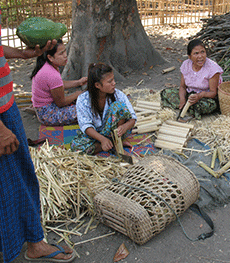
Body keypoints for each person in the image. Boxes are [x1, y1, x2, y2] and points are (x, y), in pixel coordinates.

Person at [0, 10, 75, 263]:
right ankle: (31, 243)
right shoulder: (51, 75)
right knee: (14, 180)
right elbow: (61, 100)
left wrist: (22, 54)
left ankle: (29, 240)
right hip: (1, 117)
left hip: (6, 105)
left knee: (18, 174)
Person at [71, 63, 137, 155]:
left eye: (113, 79)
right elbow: (86, 125)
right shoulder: (83, 99)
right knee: (76, 147)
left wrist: (124, 127)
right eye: (110, 82)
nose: (114, 83)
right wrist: (102, 139)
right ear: (97, 85)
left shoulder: (118, 95)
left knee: (119, 107)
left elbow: (133, 118)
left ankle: (116, 142)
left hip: (117, 133)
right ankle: (111, 145)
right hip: (96, 135)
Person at [161, 39, 223, 120]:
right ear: (189, 56)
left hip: (206, 98)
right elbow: (182, 87)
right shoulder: (186, 65)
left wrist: (199, 96)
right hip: (190, 95)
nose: (200, 56)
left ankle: (190, 109)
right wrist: (182, 100)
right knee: (165, 93)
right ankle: (187, 107)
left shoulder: (213, 69)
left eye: (202, 52)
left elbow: (213, 93)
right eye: (196, 53)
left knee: (201, 106)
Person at [31, 39, 87, 126]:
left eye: (65, 51)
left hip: (42, 109)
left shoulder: (48, 65)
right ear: (50, 57)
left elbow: (58, 85)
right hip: (47, 114)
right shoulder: (51, 74)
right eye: (61, 53)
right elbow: (61, 103)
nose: (65, 56)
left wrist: (79, 82)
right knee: (87, 109)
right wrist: (78, 93)